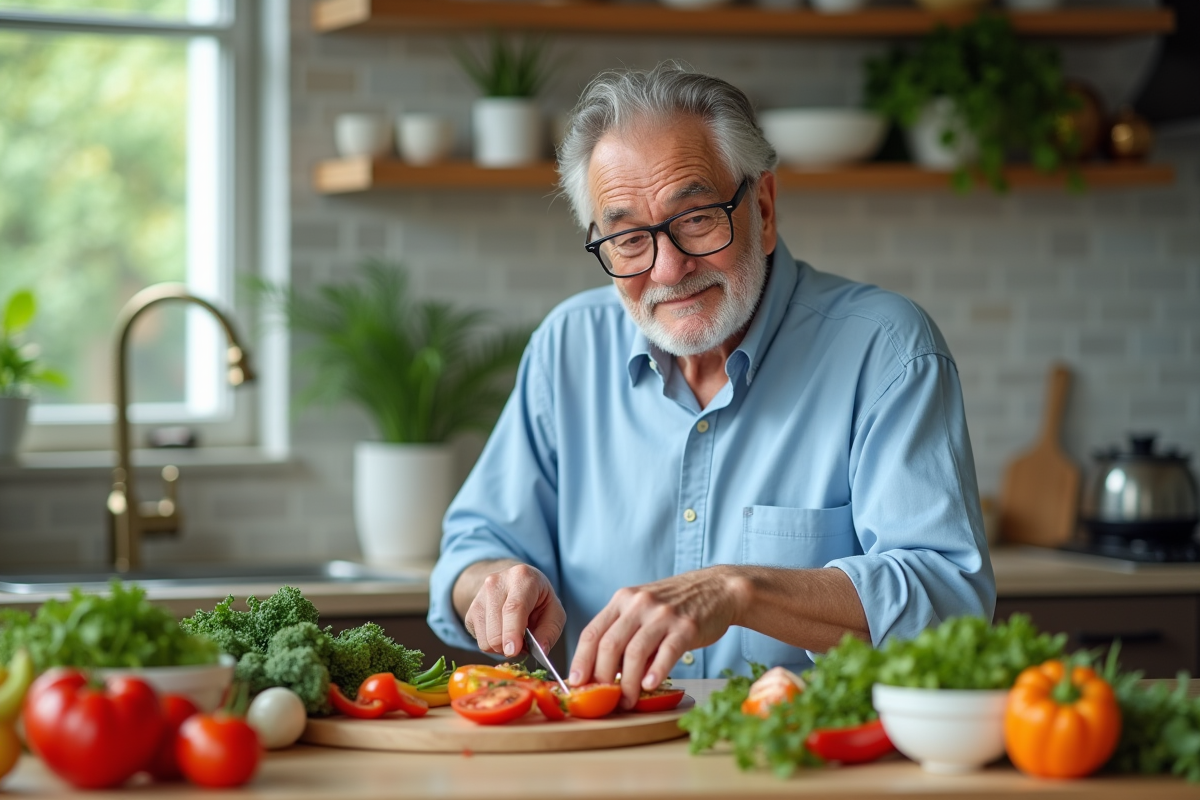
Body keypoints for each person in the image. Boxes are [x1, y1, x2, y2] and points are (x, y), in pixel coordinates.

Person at [428, 63, 995, 710]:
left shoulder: (888, 351)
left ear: (763, 206)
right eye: (628, 237)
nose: (668, 269)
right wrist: (493, 583)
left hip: (807, 761)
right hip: (609, 760)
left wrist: (739, 592)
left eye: (696, 218)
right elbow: (473, 551)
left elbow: (947, 602)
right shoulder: (568, 347)